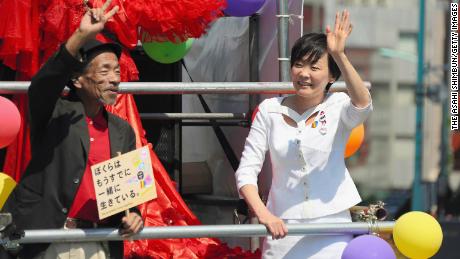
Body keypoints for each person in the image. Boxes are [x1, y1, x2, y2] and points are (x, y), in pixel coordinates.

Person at [1, 0, 143, 258]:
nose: (116, 78)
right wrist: (82, 35)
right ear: (78, 79)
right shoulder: (55, 114)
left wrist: (135, 216)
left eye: (118, 71)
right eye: (105, 70)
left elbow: (127, 198)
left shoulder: (123, 131)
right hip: (48, 241)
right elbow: (43, 84)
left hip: (98, 243)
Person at [235, 10, 372, 258]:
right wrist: (264, 215)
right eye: (298, 65)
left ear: (331, 75)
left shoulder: (338, 104)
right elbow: (246, 171)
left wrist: (339, 54)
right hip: (282, 226)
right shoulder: (269, 110)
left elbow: (363, 105)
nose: (304, 73)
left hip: (332, 226)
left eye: (314, 67)